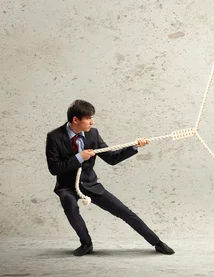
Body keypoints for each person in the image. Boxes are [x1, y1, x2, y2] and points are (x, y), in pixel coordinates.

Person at [45, 99, 174, 256]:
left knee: (124, 212)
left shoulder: (93, 134)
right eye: (88, 118)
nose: (92, 122)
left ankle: (157, 242)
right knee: (70, 205)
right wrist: (79, 157)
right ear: (75, 120)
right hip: (67, 187)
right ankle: (86, 243)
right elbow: (54, 168)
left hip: (90, 184)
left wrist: (134, 146)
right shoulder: (54, 137)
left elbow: (112, 158)